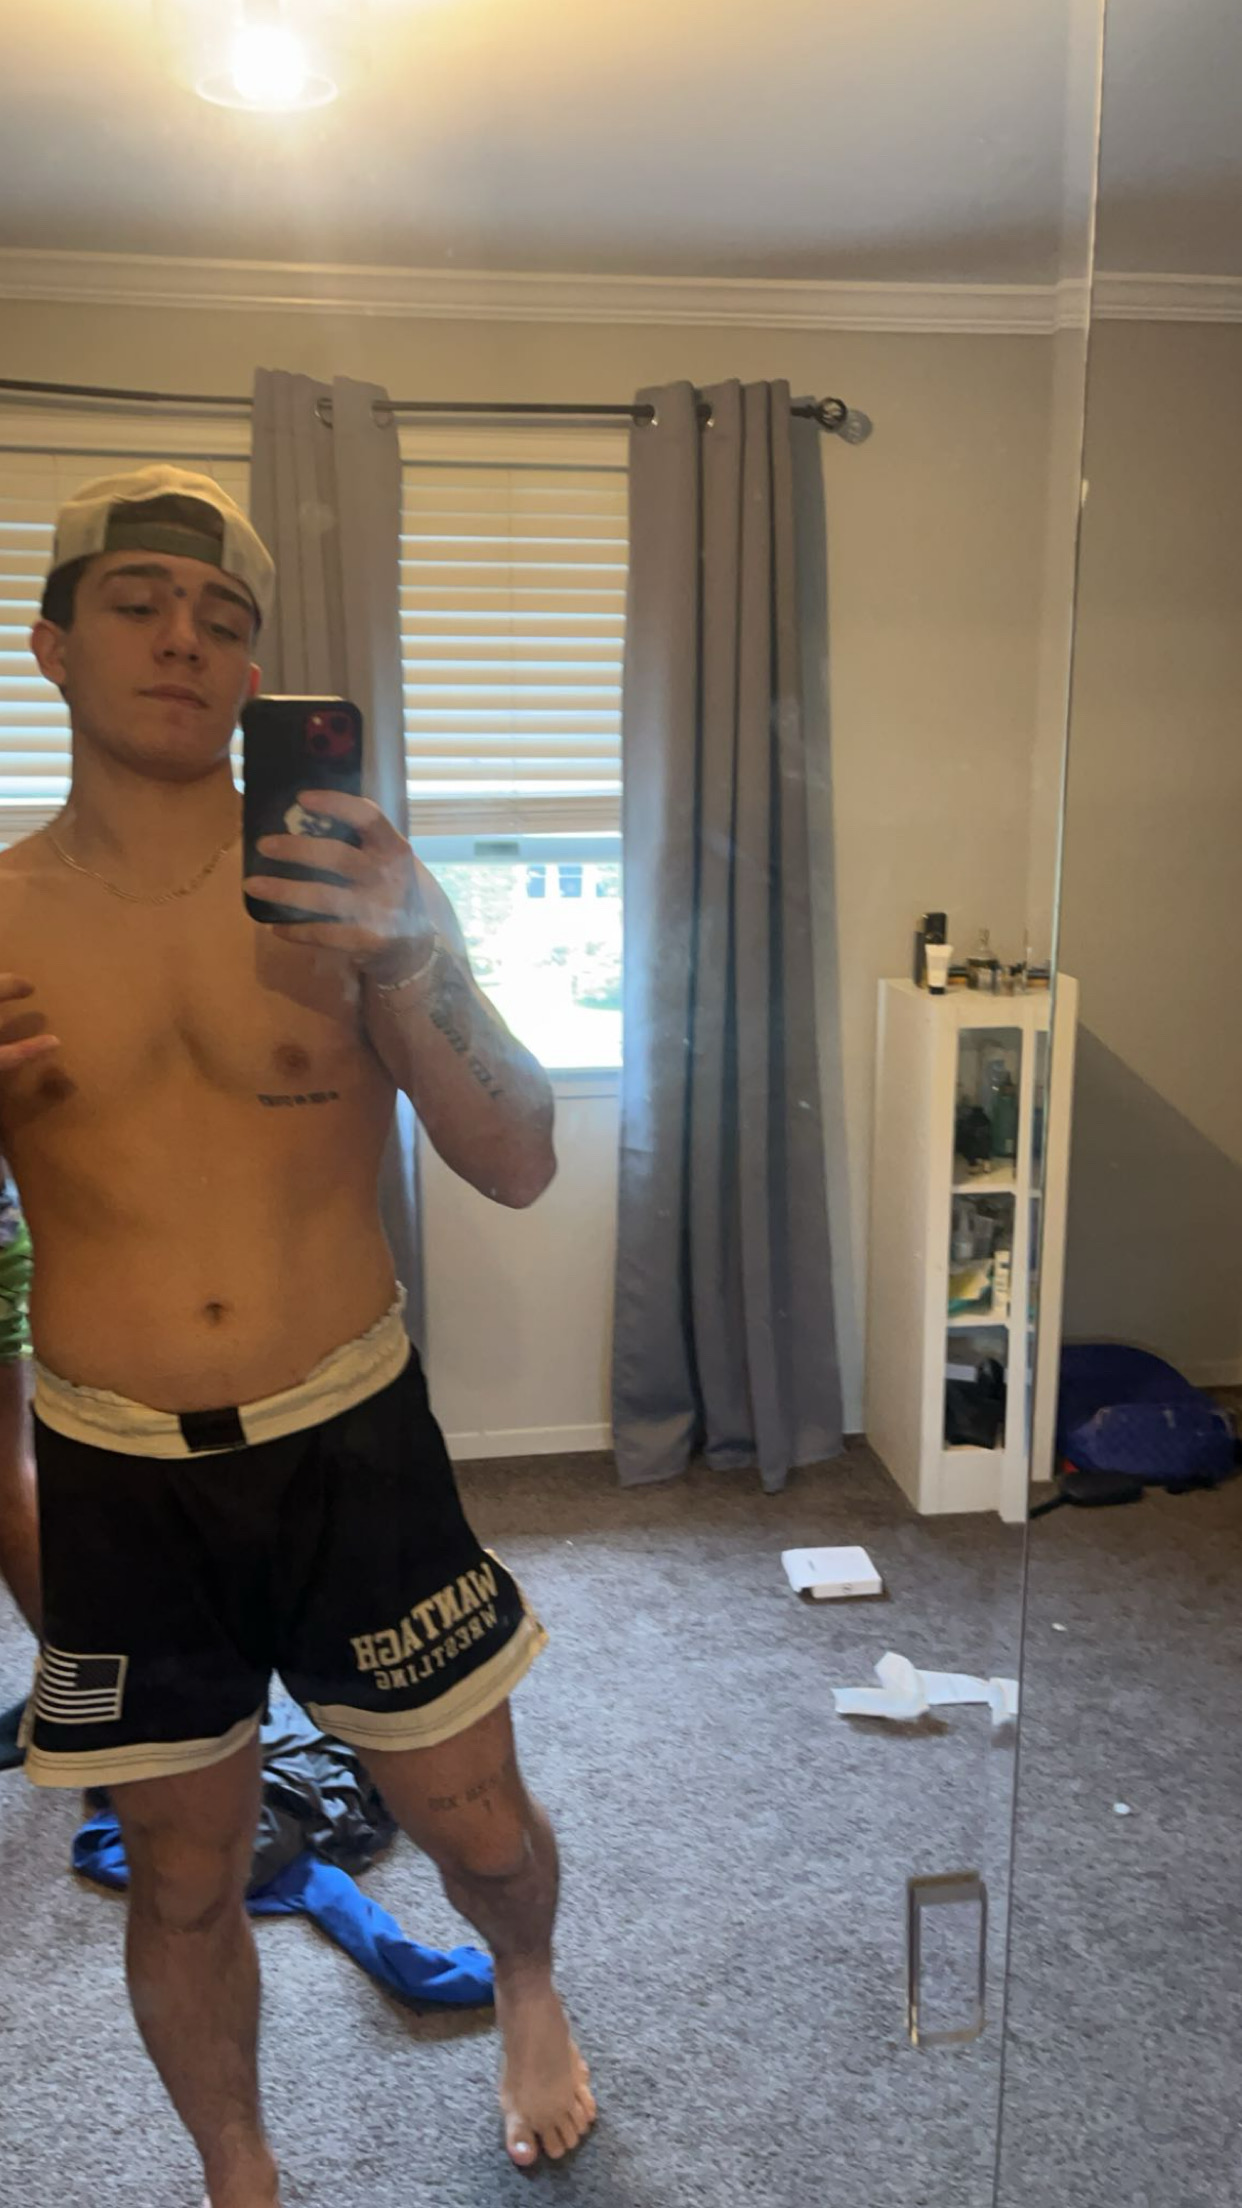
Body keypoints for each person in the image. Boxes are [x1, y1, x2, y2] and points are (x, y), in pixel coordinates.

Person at [0, 463, 596, 2208]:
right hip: (118, 1470)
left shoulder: (348, 889)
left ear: (258, 676)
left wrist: (411, 957)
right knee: (185, 1869)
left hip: (347, 1436)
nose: (182, 637)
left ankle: (531, 1987)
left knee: (475, 1819)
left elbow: (517, 1157)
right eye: (137, 604)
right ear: (52, 648)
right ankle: (240, 2169)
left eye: (222, 618)